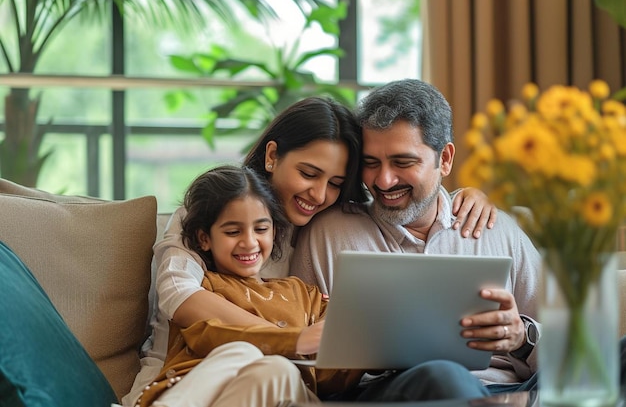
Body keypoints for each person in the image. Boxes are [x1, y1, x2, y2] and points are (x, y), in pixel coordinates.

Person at [123, 96, 498, 406]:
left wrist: (456, 197)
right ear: (272, 156)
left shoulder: (325, 223)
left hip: (286, 383)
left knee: (278, 370)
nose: (318, 195)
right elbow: (180, 294)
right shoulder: (212, 213)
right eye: (308, 173)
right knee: (252, 358)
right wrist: (290, 338)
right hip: (193, 376)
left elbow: (397, 196)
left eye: (335, 183)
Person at [291, 79, 542, 401]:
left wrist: (522, 338)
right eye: (371, 163)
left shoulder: (496, 229)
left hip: (507, 390)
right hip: (385, 393)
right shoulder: (329, 234)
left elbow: (574, 349)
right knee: (444, 374)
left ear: (445, 159)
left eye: (403, 162)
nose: (383, 180)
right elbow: (300, 355)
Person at [136, 165, 364, 407]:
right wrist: (294, 340)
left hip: (286, 393)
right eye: (233, 231)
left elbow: (330, 376)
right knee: (246, 353)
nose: (249, 242)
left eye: (261, 229)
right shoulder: (205, 288)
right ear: (204, 239)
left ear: (275, 232)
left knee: (278, 369)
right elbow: (206, 335)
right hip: (204, 394)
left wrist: (368, 352)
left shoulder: (304, 294)